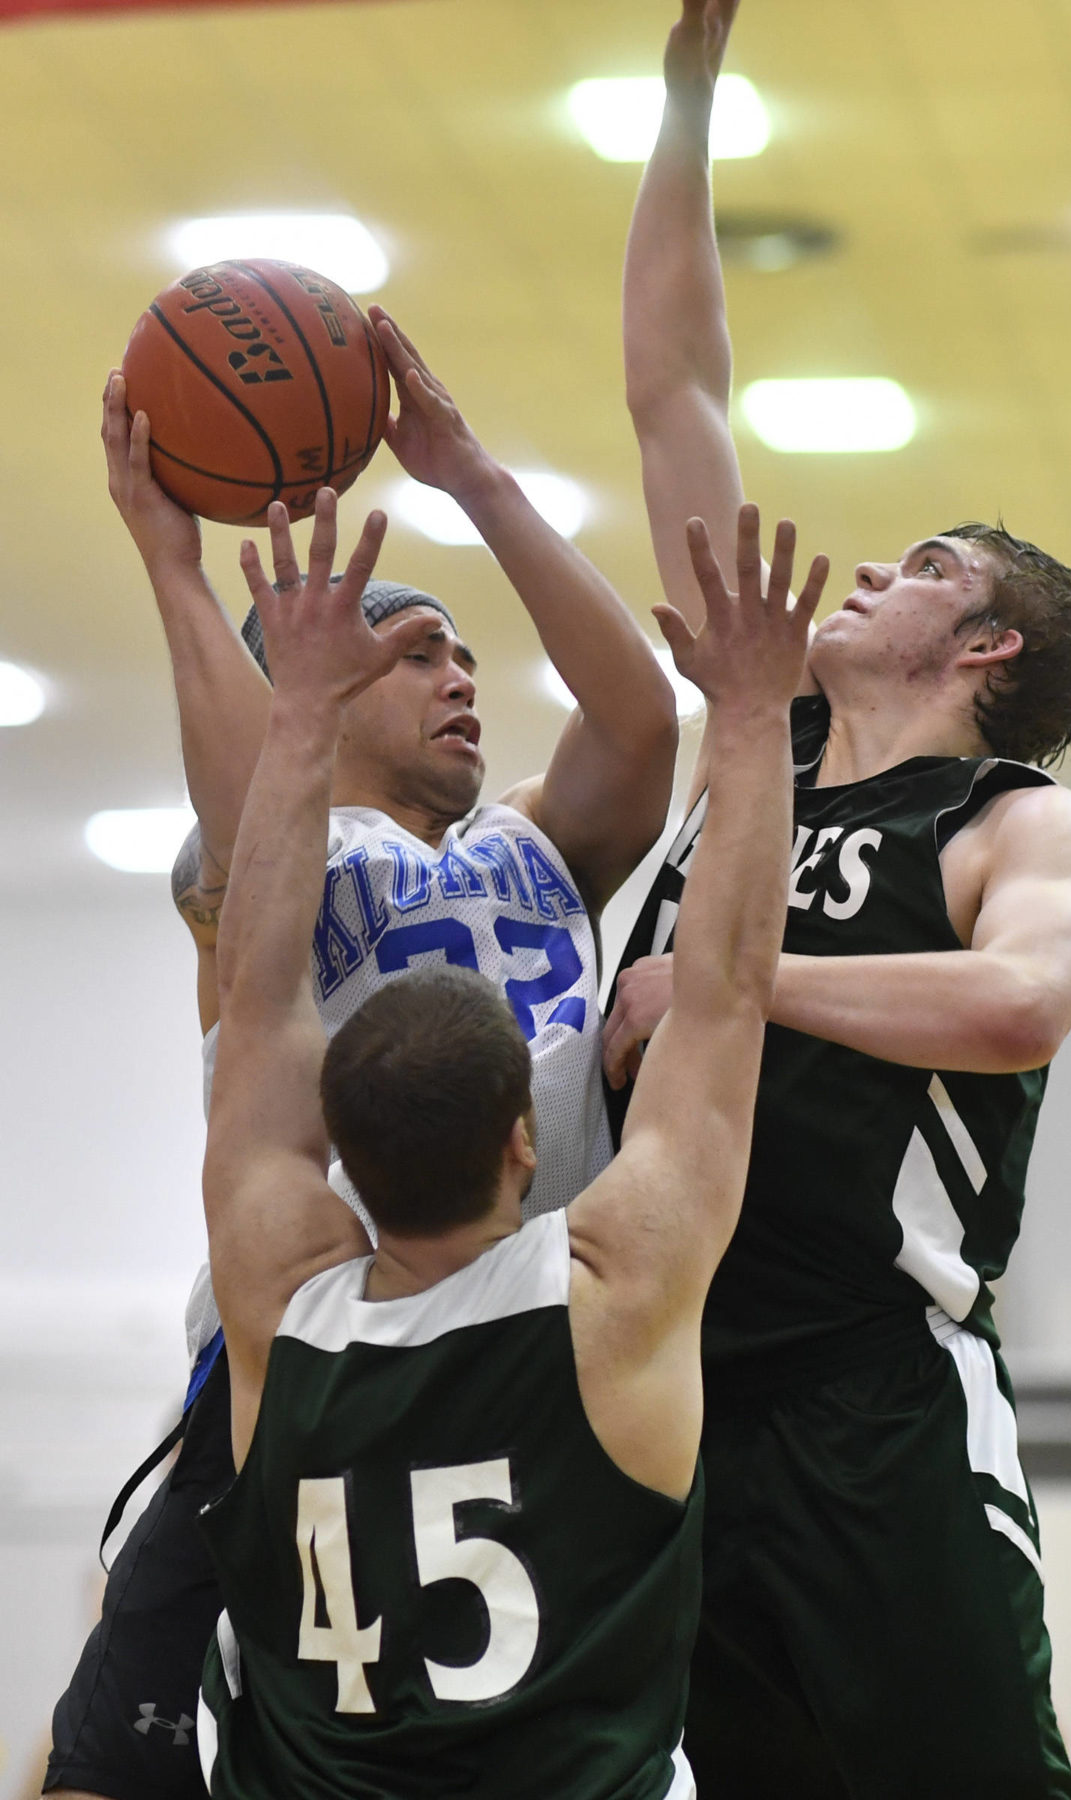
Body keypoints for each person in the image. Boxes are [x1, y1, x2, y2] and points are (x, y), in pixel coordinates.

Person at [44, 316, 680, 1800]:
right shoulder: (266, 861)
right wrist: (171, 562)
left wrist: (470, 476)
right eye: (416, 655)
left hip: (528, 1336)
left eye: (466, 656)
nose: (462, 677)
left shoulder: (533, 842)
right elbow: (246, 781)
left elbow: (643, 720)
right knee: (123, 1748)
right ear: (314, 693)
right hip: (310, 1355)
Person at [604, 5, 1071, 1797]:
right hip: (663, 1374)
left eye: (929, 566)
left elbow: (1020, 1011)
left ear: (985, 646)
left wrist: (727, 984)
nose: (878, 557)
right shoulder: (753, 739)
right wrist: (683, 103)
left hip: (872, 1395)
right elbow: (675, 386)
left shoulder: (1013, 815)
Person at [195, 486, 822, 1796]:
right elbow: (727, 990)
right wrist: (758, 721)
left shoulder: (277, 1312)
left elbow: (257, 1013)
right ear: (527, 1144)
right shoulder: (618, 1304)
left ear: (335, 1163)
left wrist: (295, 716)